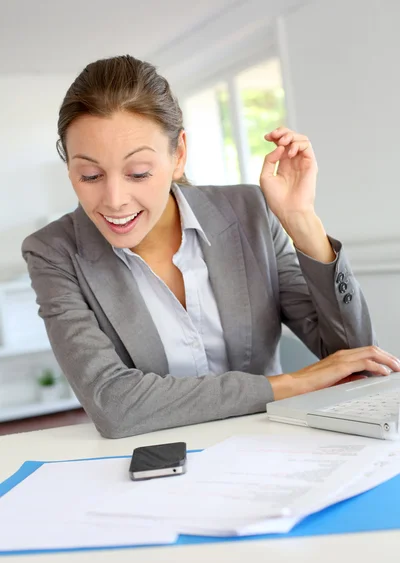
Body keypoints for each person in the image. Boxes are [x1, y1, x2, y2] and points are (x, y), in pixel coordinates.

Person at [22, 55, 400, 439]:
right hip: (157, 465)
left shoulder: (248, 212)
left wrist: (302, 222)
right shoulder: (53, 252)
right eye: (90, 175)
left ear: (179, 155)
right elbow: (115, 404)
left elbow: (354, 356)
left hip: (278, 449)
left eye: (138, 173)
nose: (115, 199)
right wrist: (291, 385)